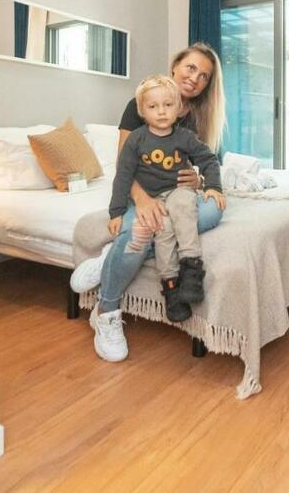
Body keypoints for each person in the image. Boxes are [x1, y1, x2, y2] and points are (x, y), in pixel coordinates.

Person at [71, 42, 227, 361]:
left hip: (175, 194)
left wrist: (201, 182)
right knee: (139, 234)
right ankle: (106, 311)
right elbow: (124, 164)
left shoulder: (195, 117)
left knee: (212, 212)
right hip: (139, 190)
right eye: (191, 68)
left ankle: (109, 259)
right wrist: (141, 202)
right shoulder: (141, 103)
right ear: (175, 66)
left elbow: (199, 161)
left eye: (204, 76)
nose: (195, 78)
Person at [108, 75, 225, 324]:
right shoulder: (136, 139)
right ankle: (171, 286)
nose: (161, 112)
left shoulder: (185, 137)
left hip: (177, 190)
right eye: (153, 106)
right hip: (152, 197)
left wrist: (213, 186)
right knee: (163, 228)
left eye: (168, 105)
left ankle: (191, 267)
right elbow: (124, 174)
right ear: (142, 111)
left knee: (183, 207)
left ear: (178, 108)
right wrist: (116, 212)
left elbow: (209, 160)